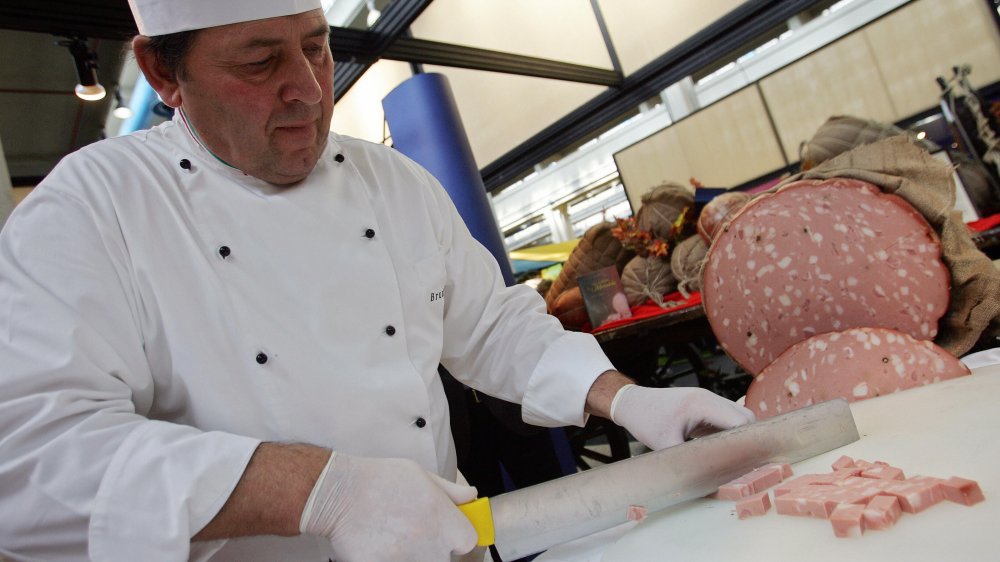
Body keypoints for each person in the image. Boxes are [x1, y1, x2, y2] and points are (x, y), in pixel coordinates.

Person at [0, 1, 755, 560]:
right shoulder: (94, 209)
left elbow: (492, 324)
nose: (307, 87)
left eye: (317, 47)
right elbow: (28, 462)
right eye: (260, 62)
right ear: (165, 72)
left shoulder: (394, 184)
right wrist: (317, 490)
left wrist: (624, 397)